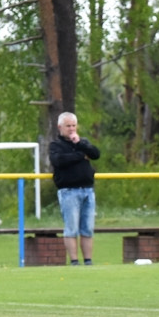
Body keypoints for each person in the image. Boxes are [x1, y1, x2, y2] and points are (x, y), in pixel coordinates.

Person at [49, 111, 101, 265]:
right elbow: (59, 161)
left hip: (87, 190)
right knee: (71, 228)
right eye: (68, 126)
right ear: (60, 127)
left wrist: (79, 144)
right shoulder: (55, 145)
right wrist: (81, 156)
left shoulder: (82, 143)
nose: (71, 129)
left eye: (73, 126)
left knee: (88, 228)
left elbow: (96, 154)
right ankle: (74, 261)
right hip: (69, 192)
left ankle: (88, 260)